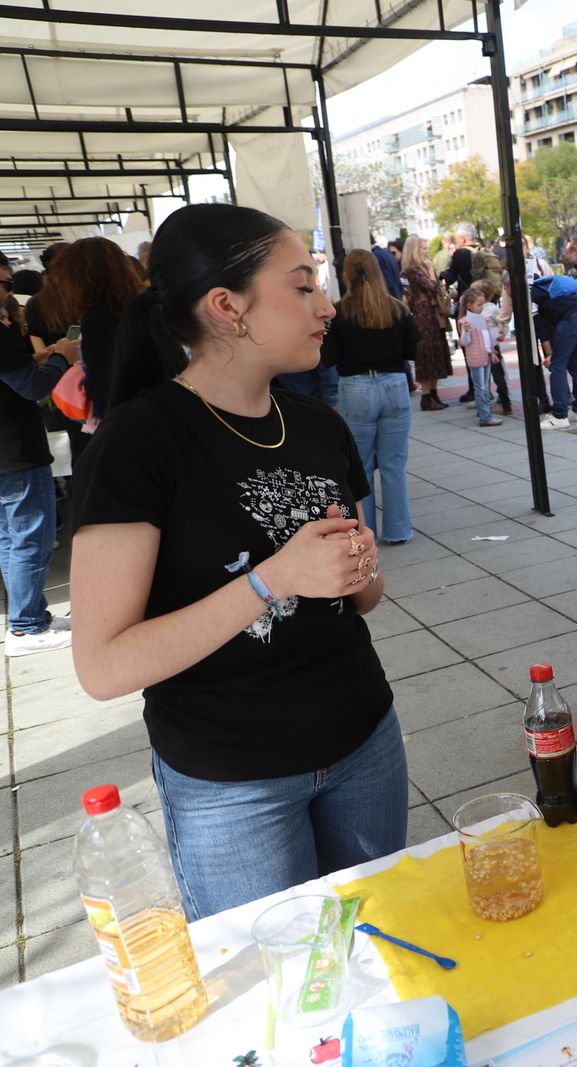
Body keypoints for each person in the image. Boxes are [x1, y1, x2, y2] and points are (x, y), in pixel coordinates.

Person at [70, 203, 405, 920]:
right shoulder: (141, 442)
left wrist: (357, 569)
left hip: (363, 738)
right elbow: (103, 667)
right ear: (228, 307)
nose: (326, 304)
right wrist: (270, 579)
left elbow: (365, 597)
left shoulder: (318, 424)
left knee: (379, 947)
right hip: (232, 781)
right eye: (303, 285)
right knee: (271, 986)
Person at [0, 252, 79, 656]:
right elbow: (31, 387)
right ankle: (27, 626)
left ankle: (29, 618)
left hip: (10, 454)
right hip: (15, 450)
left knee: (13, 540)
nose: (10, 293)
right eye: (5, 284)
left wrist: (40, 355)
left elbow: (14, 373)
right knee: (31, 538)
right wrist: (63, 357)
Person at [323, 249, 418, 545]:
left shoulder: (340, 312)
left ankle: (367, 533)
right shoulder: (397, 309)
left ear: (347, 274)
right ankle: (399, 530)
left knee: (360, 467)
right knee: (393, 464)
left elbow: (328, 358)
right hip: (393, 384)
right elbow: (411, 351)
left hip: (356, 387)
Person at [42, 236, 144, 426]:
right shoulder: (142, 306)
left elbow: (101, 385)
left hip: (123, 416)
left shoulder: (97, 317)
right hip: (154, 406)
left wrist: (78, 373)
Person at [530, 273, 577, 431]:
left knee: (558, 366)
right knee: (576, 363)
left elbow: (546, 333)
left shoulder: (537, 300)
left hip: (571, 317)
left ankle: (559, 416)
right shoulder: (556, 293)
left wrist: (551, 355)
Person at [400, 236, 452, 412]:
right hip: (423, 317)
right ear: (414, 250)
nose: (426, 251)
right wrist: (431, 270)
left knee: (436, 355)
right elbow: (433, 287)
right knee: (427, 355)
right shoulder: (413, 271)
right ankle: (427, 397)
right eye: (423, 248)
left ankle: (434, 395)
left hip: (432, 315)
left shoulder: (419, 269)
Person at [455, 287, 504, 428]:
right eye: (479, 305)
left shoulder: (483, 319)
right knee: (481, 387)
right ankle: (485, 416)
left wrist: (493, 351)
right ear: (469, 305)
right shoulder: (465, 321)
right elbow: (464, 342)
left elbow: (488, 337)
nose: (482, 307)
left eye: (483, 304)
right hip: (476, 357)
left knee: (484, 387)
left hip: (486, 354)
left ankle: (484, 411)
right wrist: (466, 332)